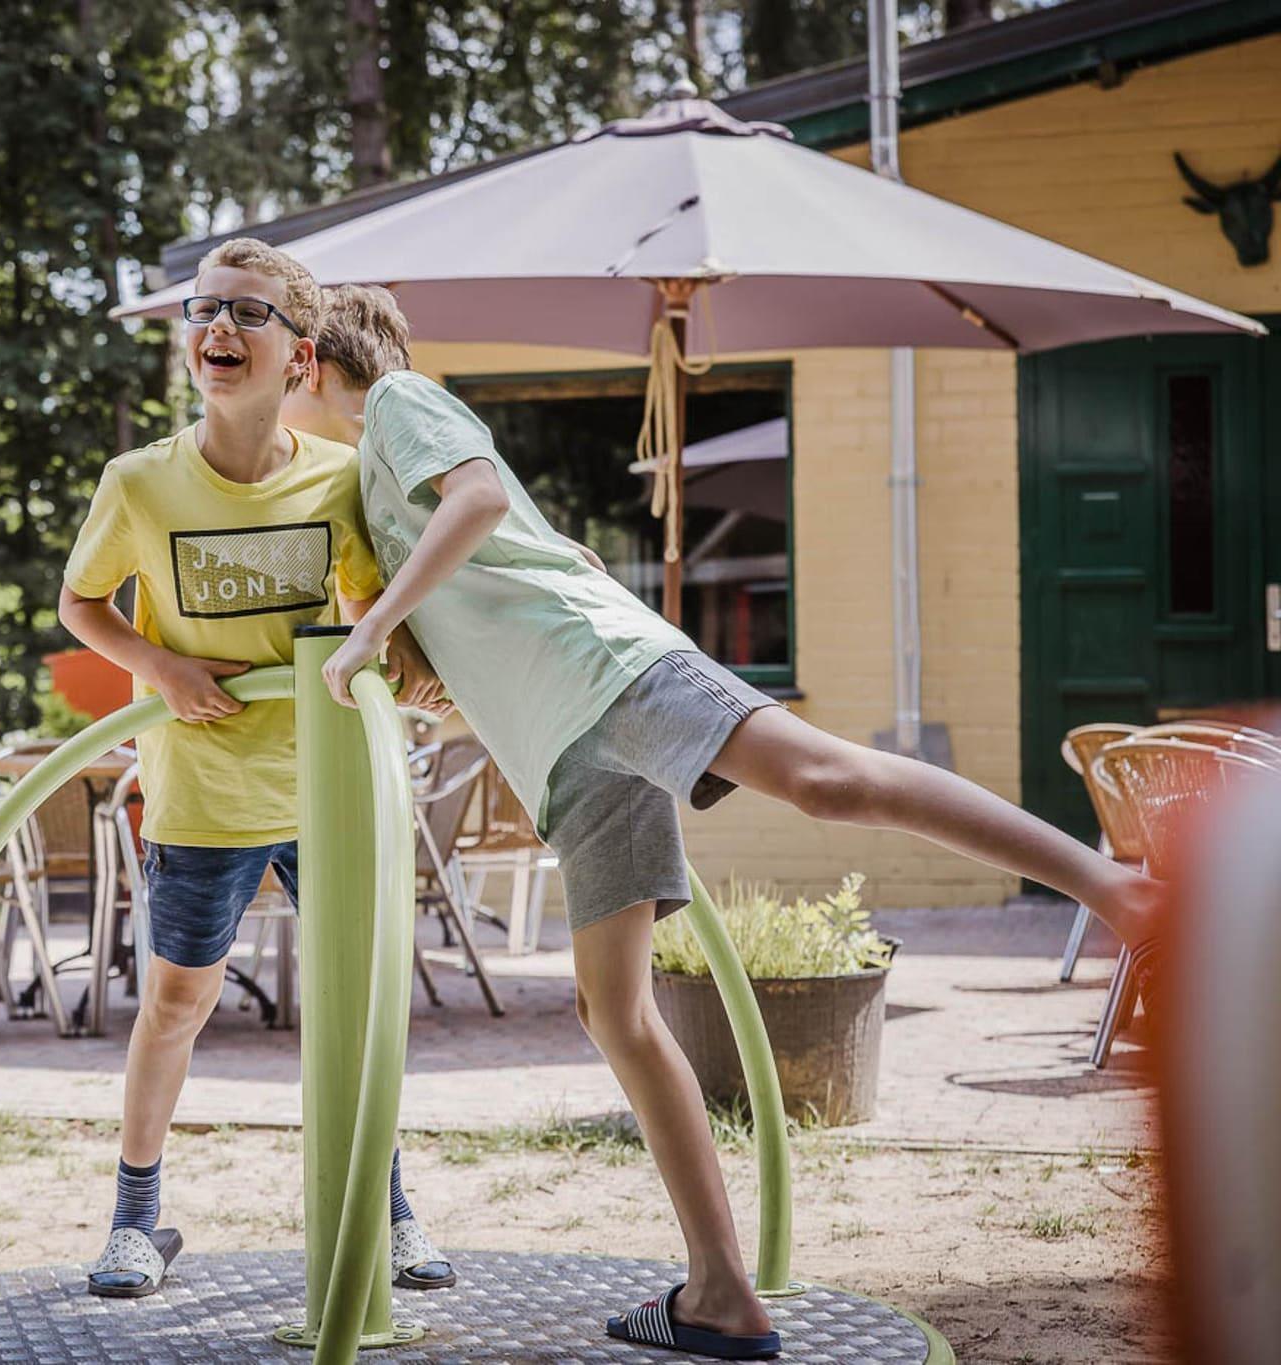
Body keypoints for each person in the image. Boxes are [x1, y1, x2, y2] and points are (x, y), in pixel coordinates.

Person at [281, 282, 1166, 1360]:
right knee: (612, 1010)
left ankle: (1115, 888)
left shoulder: (398, 402)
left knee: (824, 780)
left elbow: (477, 501)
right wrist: (410, 646)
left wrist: (375, 624)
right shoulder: (369, 484)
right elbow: (503, 574)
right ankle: (718, 1292)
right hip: (561, 751)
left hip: (607, 672)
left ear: (310, 360)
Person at [58, 239, 450, 1300]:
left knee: (355, 1009)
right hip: (202, 789)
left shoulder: (337, 478)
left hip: (326, 788)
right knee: (176, 1002)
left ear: (300, 357)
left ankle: (385, 1207)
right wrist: (160, 666)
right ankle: (135, 1219)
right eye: (204, 310)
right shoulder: (140, 481)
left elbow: (369, 609)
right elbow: (80, 604)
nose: (218, 328)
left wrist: (410, 661)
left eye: (248, 313)